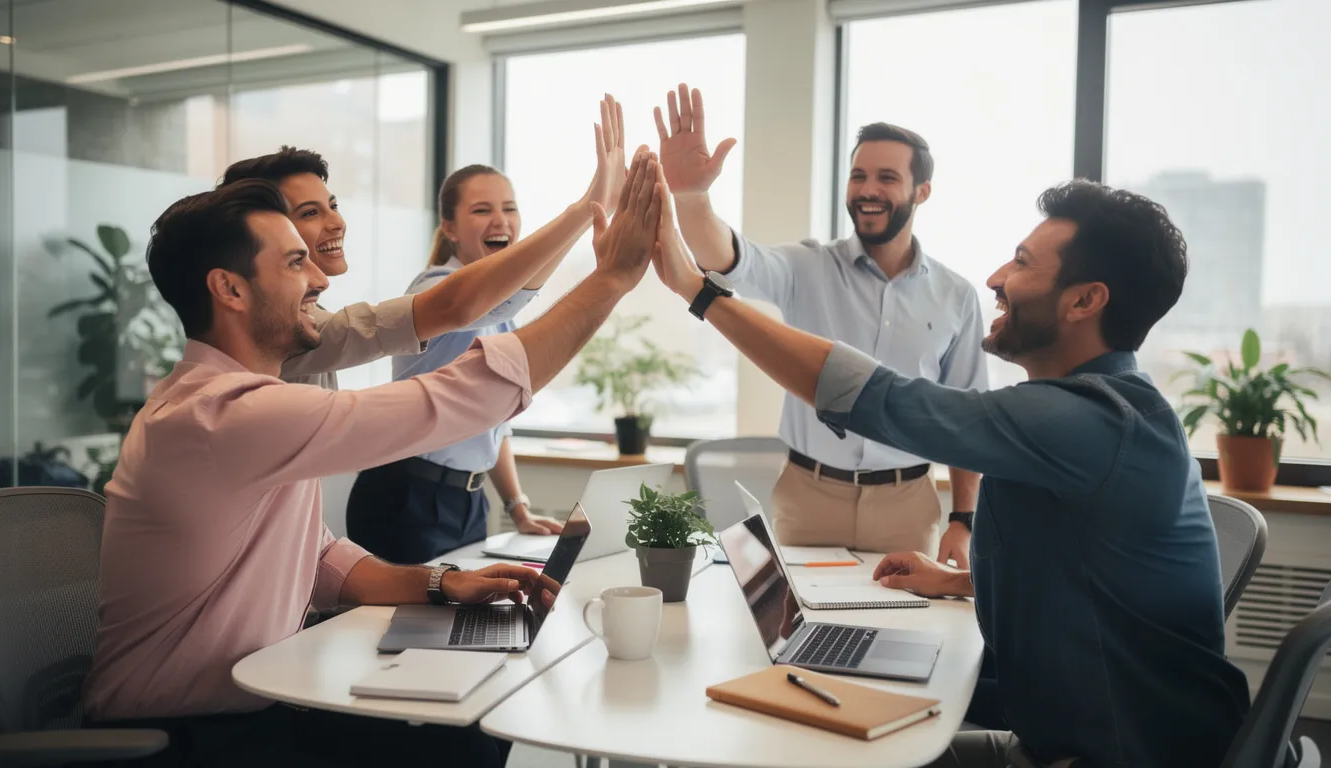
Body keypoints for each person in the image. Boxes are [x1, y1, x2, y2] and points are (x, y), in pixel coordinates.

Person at [82, 153, 663, 767]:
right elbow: (453, 399)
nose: (320, 281)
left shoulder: (242, 403)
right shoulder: (221, 415)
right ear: (229, 289)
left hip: (254, 704)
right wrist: (609, 280)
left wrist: (441, 583)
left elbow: (318, 556)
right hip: (185, 738)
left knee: (466, 728)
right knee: (456, 749)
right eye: (295, 263)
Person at [651, 174, 1251, 767]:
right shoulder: (1105, 413)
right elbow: (1089, 578)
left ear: (1084, 301)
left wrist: (697, 290)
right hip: (1073, 734)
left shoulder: (1091, 421)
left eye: (1021, 263)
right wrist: (958, 581)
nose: (996, 279)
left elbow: (882, 400)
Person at [654, 83, 984, 565]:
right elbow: (729, 258)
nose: (868, 190)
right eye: (858, 175)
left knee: (910, 614)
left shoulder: (957, 296)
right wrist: (691, 197)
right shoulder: (807, 267)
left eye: (887, 177)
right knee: (796, 614)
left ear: (922, 191)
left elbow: (966, 419)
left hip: (907, 503)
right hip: (809, 495)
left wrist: (964, 518)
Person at [218, 94, 629, 392]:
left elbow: (505, 303)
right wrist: (587, 216)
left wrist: (589, 212)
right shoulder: (278, 330)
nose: (337, 222)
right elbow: (459, 306)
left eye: (334, 206)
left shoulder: (311, 316)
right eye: (310, 213)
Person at [345, 159, 583, 563]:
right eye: (482, 210)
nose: (500, 220)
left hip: (468, 500)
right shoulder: (435, 288)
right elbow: (486, 301)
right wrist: (583, 215)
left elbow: (493, 422)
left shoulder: (503, 313)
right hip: (408, 496)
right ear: (450, 229)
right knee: (415, 606)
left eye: (509, 208)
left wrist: (517, 508)